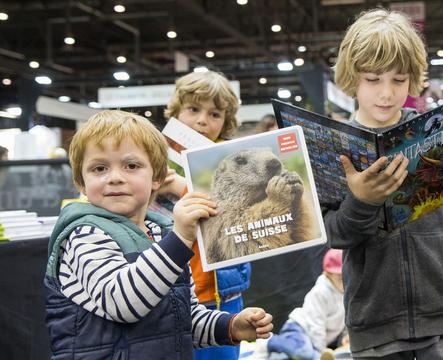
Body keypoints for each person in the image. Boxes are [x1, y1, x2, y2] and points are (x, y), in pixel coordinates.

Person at [325, 9, 443, 359]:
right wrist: (362, 200)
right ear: (352, 78)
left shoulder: (438, 130)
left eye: (398, 80)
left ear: (413, 79)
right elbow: (336, 234)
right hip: (375, 322)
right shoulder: (334, 148)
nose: (386, 93)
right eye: (373, 79)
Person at [43, 110, 273, 359]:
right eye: (99, 168)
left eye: (131, 166)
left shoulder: (161, 232)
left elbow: (183, 318)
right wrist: (181, 239)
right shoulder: (83, 234)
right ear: (81, 182)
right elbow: (123, 303)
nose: (115, 178)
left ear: (158, 178)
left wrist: (230, 326)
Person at [163, 70, 252, 360]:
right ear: (175, 112)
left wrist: (183, 187)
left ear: (226, 122)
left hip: (221, 296)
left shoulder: (232, 162)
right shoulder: (152, 160)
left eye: (214, 114)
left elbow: (236, 211)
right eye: (193, 109)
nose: (202, 120)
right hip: (169, 295)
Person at [255, 249, 347, 360]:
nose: (344, 282)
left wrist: (345, 336)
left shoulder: (346, 293)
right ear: (327, 274)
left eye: (346, 277)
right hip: (300, 329)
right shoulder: (321, 292)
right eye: (340, 278)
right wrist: (320, 351)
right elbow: (316, 324)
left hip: (314, 340)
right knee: (304, 353)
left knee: (292, 357)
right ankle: (270, 341)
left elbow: (346, 320)